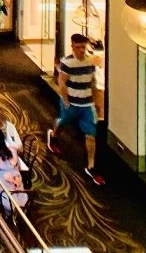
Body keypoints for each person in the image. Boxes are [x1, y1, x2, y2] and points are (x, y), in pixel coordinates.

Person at [48, 33, 105, 185]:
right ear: (72, 46)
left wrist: (98, 104)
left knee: (91, 135)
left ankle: (91, 166)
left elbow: (92, 82)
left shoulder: (90, 61)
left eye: (83, 47)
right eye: (78, 47)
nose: (81, 50)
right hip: (71, 103)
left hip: (86, 104)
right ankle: (54, 135)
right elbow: (62, 82)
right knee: (62, 123)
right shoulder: (68, 63)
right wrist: (65, 99)